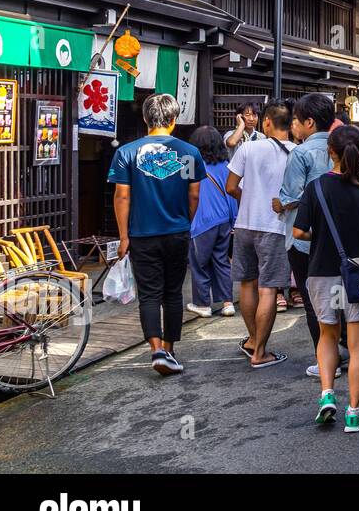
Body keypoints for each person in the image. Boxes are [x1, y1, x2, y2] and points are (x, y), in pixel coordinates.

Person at [293, 125, 359, 433]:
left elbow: (298, 232)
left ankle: (326, 394)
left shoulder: (316, 187)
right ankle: (353, 412)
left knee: (327, 334)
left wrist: (319, 235)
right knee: (358, 343)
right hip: (358, 273)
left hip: (322, 271)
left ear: (330, 152)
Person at [108, 93, 205, 376]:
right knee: (173, 293)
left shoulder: (126, 152)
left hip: (141, 234)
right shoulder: (189, 152)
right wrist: (185, 222)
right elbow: (195, 194)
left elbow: (122, 196)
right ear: (173, 120)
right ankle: (169, 349)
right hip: (177, 231)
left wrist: (123, 236)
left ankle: (155, 351)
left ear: (145, 118)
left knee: (149, 294)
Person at [280, 93, 349, 379]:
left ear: (309, 122)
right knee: (337, 296)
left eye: (295, 120)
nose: (293, 126)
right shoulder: (344, 147)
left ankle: (325, 359)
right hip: (342, 237)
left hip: (306, 238)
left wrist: (279, 202)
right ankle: (343, 350)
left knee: (313, 301)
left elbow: (291, 196)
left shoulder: (301, 153)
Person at [226, 102, 294, 369]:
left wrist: (249, 199)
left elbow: (231, 186)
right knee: (268, 289)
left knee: (246, 284)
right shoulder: (296, 153)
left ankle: (253, 340)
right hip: (275, 227)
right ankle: (260, 352)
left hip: (244, 224)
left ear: (267, 122)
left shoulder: (248, 147)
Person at [186, 125, 237, 319]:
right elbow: (232, 194)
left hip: (200, 220)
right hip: (224, 219)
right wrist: (233, 220)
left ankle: (202, 304)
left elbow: (188, 193)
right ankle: (228, 302)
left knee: (199, 263)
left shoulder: (189, 163)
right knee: (222, 260)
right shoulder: (226, 165)